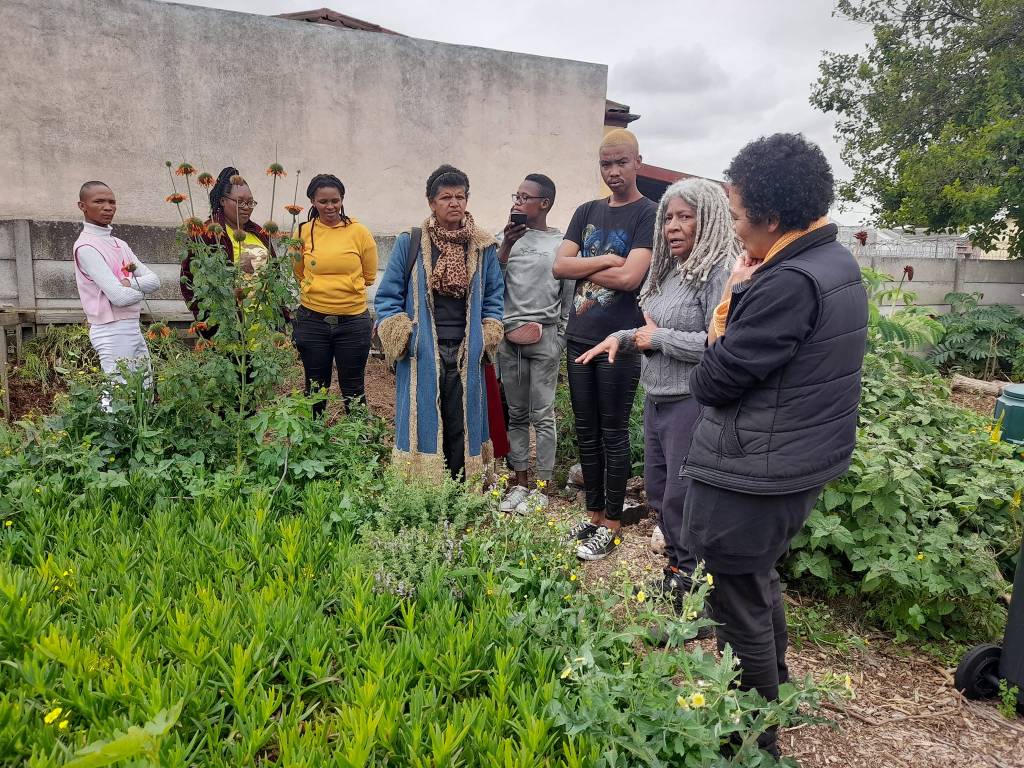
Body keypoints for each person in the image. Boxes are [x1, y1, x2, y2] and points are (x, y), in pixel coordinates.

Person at [681, 134, 868, 758]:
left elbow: (713, 381)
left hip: (753, 469)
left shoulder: (786, 282)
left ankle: (750, 741)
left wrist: (731, 298)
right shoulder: (833, 261)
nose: (734, 229)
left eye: (737, 216)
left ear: (773, 216)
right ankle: (774, 694)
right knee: (753, 581)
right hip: (791, 458)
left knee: (736, 602)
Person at [576, 178, 734, 611]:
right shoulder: (672, 272)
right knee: (660, 492)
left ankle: (699, 590)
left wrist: (656, 339)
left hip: (692, 401)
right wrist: (622, 337)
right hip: (659, 397)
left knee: (686, 498)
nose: (673, 227)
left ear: (710, 219)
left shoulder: (718, 272)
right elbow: (650, 330)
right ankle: (677, 571)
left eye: (686, 217)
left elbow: (721, 344)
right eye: (668, 218)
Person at [552, 129, 656, 561]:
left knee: (613, 432)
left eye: (621, 162)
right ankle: (593, 515)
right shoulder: (586, 211)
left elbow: (631, 279)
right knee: (586, 430)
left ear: (637, 162)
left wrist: (582, 266)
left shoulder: (649, 213)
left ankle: (612, 524)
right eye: (606, 164)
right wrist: (609, 260)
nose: (613, 171)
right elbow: (558, 266)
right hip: (579, 336)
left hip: (620, 342)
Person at [374, 165, 504, 481]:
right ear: (432, 202)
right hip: (422, 350)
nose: (454, 203)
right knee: (424, 421)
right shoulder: (411, 243)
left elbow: (494, 298)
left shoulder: (483, 246)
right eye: (446, 197)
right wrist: (407, 338)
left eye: (460, 196)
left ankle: (463, 487)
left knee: (464, 422)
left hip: (467, 349)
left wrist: (486, 335)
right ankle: (424, 489)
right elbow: (388, 297)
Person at [495, 173, 573, 514]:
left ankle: (542, 487)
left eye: (525, 197)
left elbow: (567, 297)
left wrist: (560, 338)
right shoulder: (504, 239)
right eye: (516, 196)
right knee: (516, 414)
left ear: (544, 203)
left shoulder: (561, 244)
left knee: (543, 414)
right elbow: (492, 285)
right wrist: (506, 246)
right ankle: (520, 483)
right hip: (508, 338)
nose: (518, 202)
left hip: (545, 337)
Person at [291, 174, 377, 417]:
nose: (330, 206)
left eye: (335, 201)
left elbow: (369, 275)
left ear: (342, 200)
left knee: (354, 389)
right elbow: (298, 271)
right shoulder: (302, 232)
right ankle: (314, 434)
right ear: (312, 201)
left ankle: (358, 437)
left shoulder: (359, 232)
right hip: (312, 321)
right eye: (323, 201)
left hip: (353, 322)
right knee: (315, 388)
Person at [73, 181, 161, 409]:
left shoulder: (120, 244)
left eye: (112, 202)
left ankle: (138, 432)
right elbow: (119, 298)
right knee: (116, 395)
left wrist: (128, 283)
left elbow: (155, 281)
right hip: (110, 329)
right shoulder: (87, 247)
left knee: (145, 391)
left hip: (130, 325)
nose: (107, 207)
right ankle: (109, 433)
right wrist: (141, 290)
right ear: (83, 206)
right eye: (99, 201)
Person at [180, 166, 274, 327]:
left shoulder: (259, 233)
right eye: (240, 202)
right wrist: (210, 326)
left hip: (264, 328)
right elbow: (189, 280)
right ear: (223, 201)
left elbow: (274, 275)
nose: (246, 207)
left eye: (250, 202)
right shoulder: (207, 234)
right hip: (228, 329)